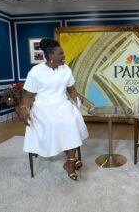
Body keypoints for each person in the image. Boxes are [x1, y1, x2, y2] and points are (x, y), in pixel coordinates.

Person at [19, 38, 89, 181]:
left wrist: (77, 98)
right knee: (56, 122)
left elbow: (71, 90)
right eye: (61, 54)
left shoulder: (66, 69)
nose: (64, 56)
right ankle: (71, 160)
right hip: (43, 106)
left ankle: (70, 162)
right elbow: (29, 95)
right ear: (51, 56)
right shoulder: (36, 71)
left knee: (71, 120)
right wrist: (24, 107)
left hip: (61, 103)